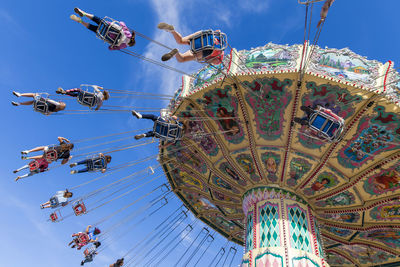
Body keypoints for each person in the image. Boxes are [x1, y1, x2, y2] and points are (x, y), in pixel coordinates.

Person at [157, 23, 225, 64]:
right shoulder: (219, 55)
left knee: (180, 41)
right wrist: (206, 60)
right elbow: (210, 60)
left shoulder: (218, 41)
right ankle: (176, 53)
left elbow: (218, 31)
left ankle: (172, 31)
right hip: (204, 50)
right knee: (182, 59)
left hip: (203, 35)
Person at [70, 7, 136, 50]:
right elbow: (110, 48)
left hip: (107, 25)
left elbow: (122, 23)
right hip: (102, 33)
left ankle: (84, 14)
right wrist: (112, 47)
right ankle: (80, 21)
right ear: (129, 44)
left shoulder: (128, 34)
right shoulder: (123, 46)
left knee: (97, 19)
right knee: (91, 28)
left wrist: (122, 24)